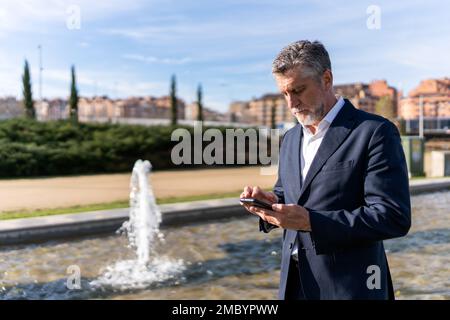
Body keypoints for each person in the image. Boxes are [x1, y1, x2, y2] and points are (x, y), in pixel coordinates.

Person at [241, 40, 411, 300]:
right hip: (294, 286)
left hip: (351, 289)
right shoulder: (290, 139)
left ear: (327, 79)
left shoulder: (375, 132)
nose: (291, 103)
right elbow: (289, 194)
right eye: (284, 93)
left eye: (298, 90)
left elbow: (392, 217)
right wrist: (270, 204)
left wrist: (312, 222)